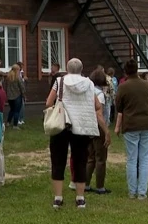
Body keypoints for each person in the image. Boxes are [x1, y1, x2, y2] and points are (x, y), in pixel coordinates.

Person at [46, 58, 110, 209]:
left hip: (61, 124)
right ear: (81, 69)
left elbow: (49, 102)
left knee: (58, 160)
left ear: (67, 69)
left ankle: (58, 198)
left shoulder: (60, 81)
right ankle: (80, 198)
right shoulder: (88, 83)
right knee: (81, 160)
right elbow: (97, 105)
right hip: (81, 125)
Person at [114, 59, 148, 199]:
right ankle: (142, 192)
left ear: (125, 71)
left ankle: (132, 191)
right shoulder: (146, 85)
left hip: (131, 124)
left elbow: (119, 106)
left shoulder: (123, 87)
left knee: (132, 159)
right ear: (137, 70)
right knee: (144, 159)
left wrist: (118, 126)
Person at [86, 68, 111, 194]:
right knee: (101, 158)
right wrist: (106, 131)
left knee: (90, 157)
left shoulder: (87, 91)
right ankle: (100, 186)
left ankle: (85, 184)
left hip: (88, 126)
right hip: (98, 127)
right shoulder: (99, 94)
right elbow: (99, 114)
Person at [4, 64, 26, 129]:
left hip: (10, 97)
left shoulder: (8, 78)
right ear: (17, 70)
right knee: (17, 111)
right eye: (19, 70)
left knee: (12, 110)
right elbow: (22, 87)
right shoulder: (18, 78)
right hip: (17, 96)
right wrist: (24, 95)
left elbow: (5, 87)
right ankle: (15, 125)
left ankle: (8, 122)